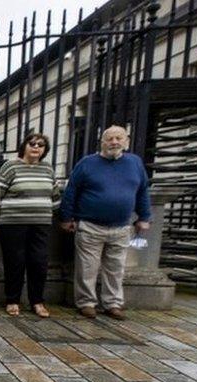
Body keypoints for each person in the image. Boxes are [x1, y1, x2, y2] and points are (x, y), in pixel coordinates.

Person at [60, 125, 151, 320]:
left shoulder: (134, 163)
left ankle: (113, 303)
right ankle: (86, 303)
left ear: (126, 142)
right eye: (110, 138)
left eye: (119, 138)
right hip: (91, 225)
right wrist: (67, 217)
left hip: (121, 226)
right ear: (102, 142)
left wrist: (144, 217)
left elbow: (143, 191)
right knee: (87, 267)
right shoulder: (87, 163)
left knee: (116, 268)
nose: (114, 142)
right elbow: (71, 192)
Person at [0, 132, 59, 318]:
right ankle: (12, 300)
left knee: (39, 262)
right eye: (32, 143)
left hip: (40, 223)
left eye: (40, 145)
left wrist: (53, 213)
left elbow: (56, 196)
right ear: (24, 146)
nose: (36, 147)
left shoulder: (48, 169)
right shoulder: (11, 166)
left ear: (44, 150)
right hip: (12, 223)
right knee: (14, 262)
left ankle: (37, 301)